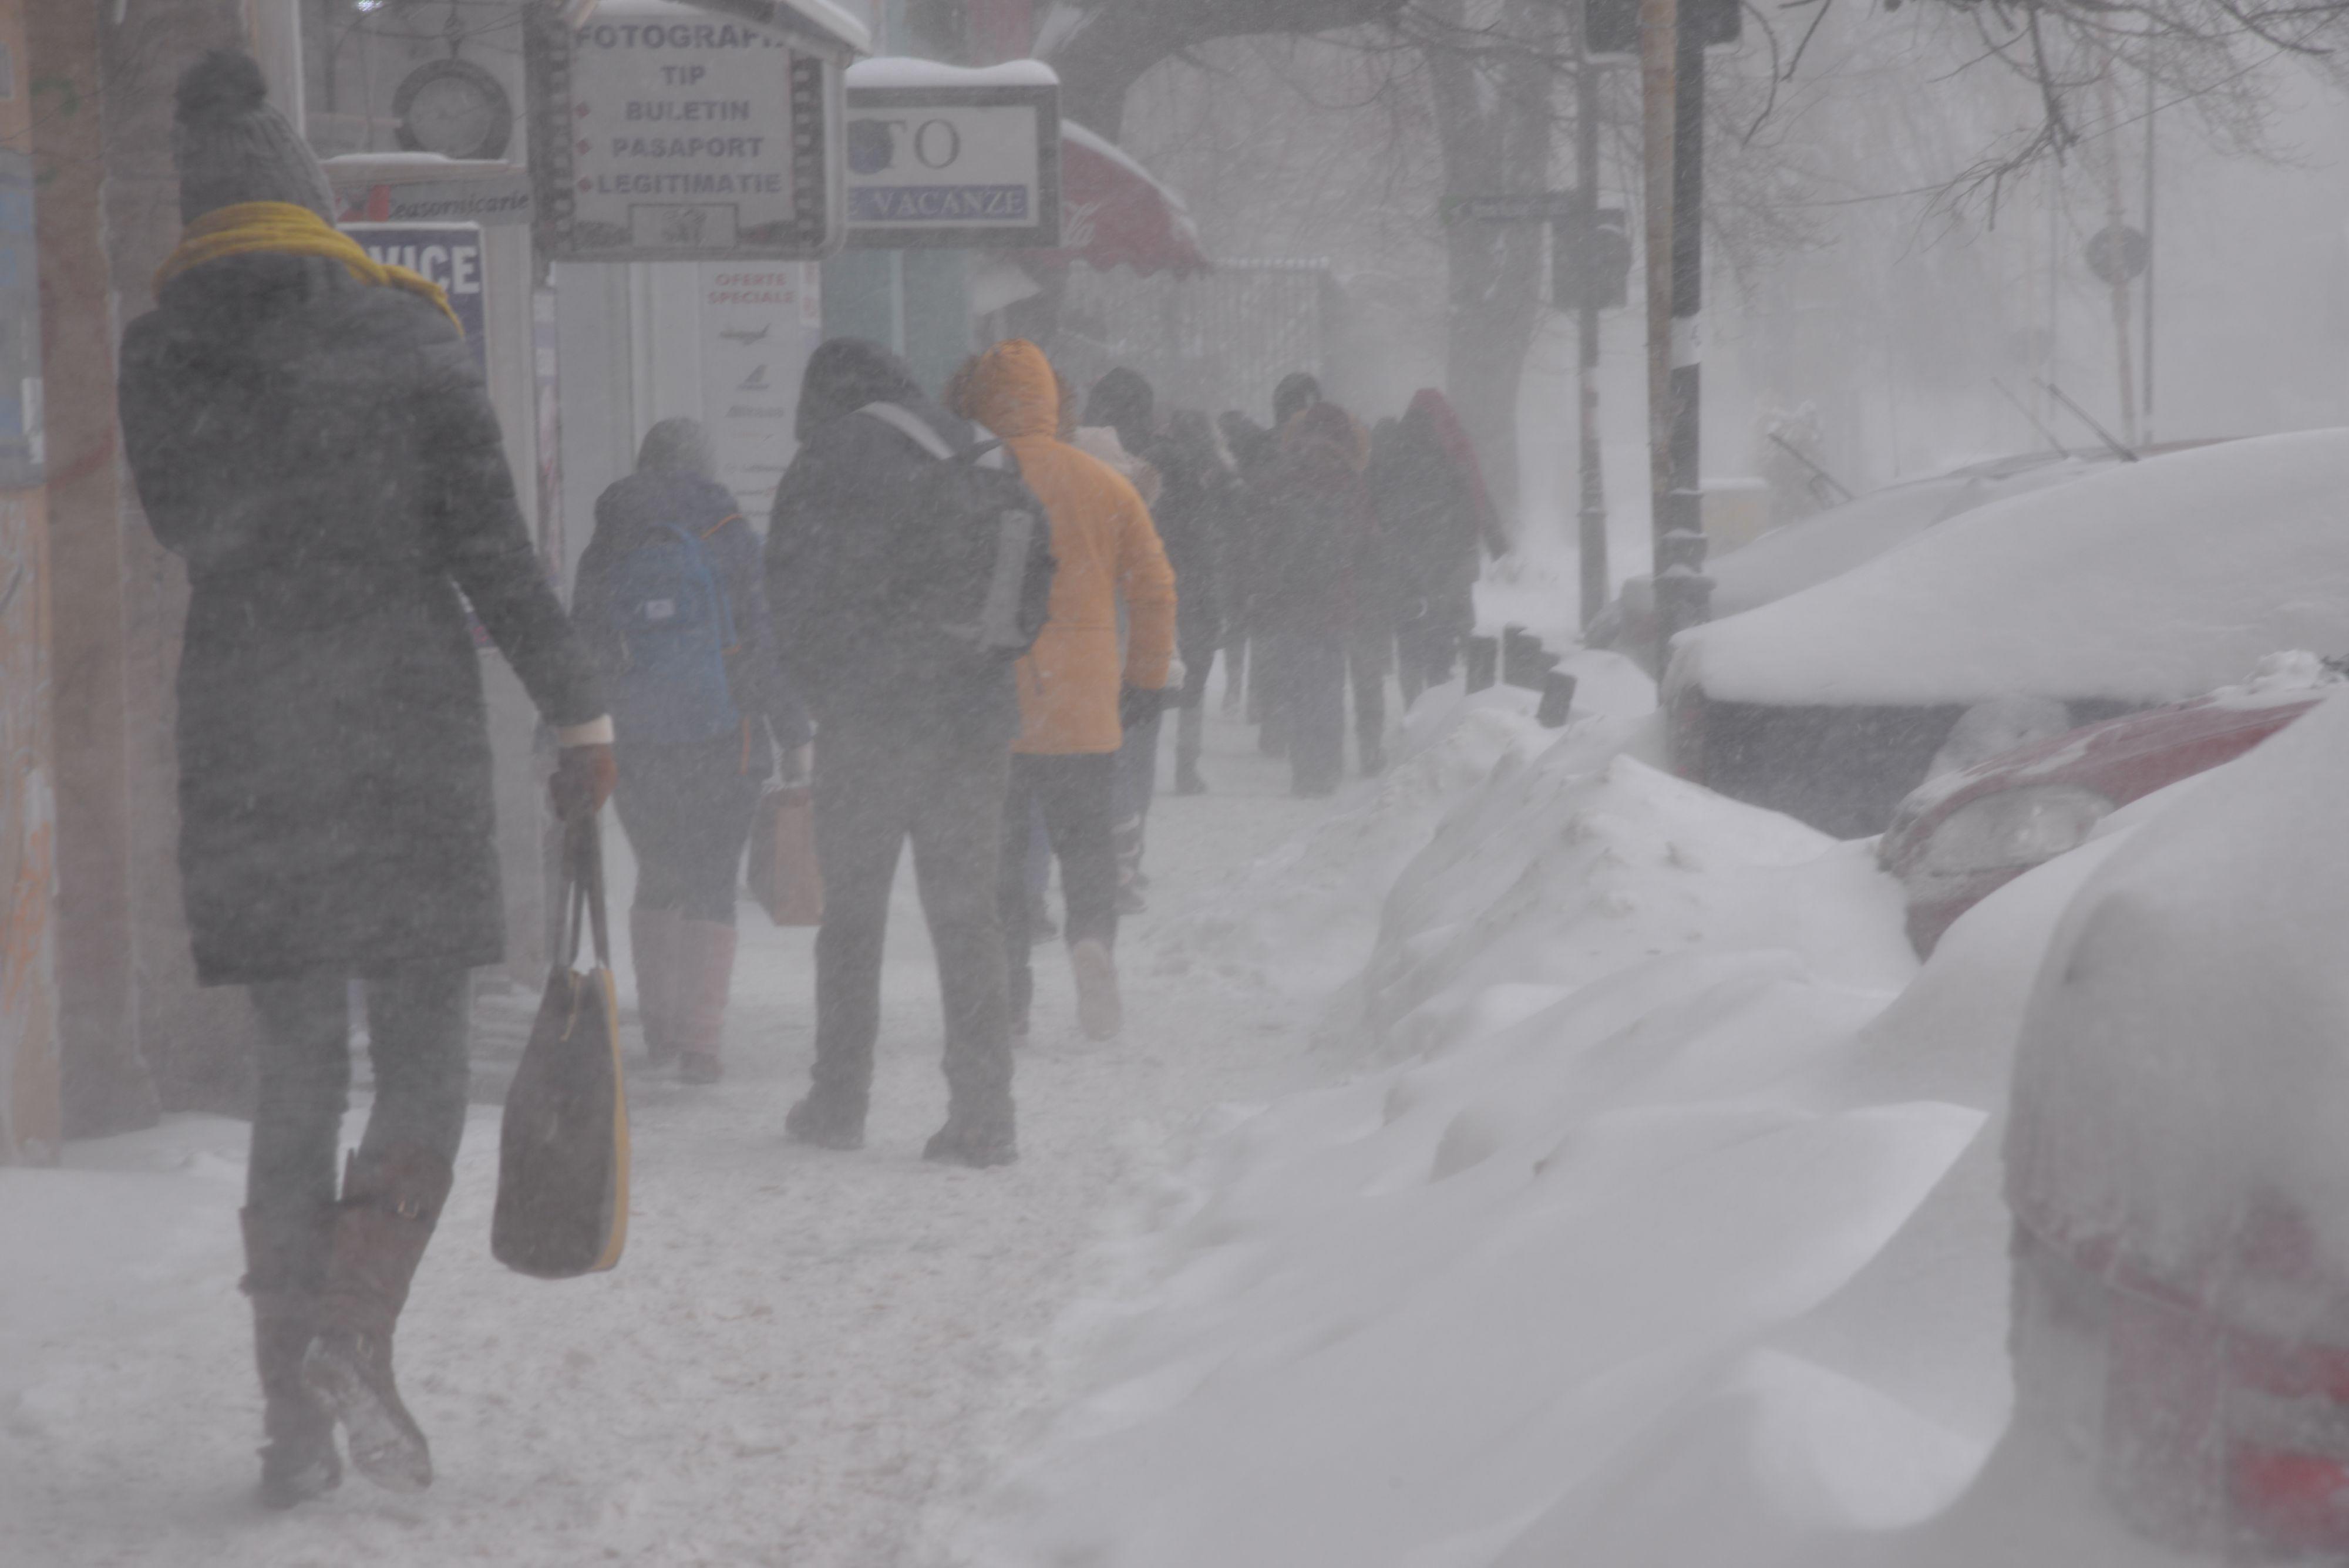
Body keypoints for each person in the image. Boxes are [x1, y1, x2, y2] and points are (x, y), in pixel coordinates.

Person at [116, 51, 613, 1507]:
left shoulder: (160, 351)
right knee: (419, 1061)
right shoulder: (408, 338)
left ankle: (288, 1417)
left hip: (252, 742)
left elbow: (184, 522)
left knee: (293, 1069)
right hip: (401, 737)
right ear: (309, 194)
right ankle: (353, 1327)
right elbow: (493, 553)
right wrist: (577, 709)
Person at [766, 338, 1051, 1167]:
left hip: (873, 720)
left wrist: (832, 691)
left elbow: (788, 590)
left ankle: (839, 1099)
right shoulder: (976, 445)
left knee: (853, 917)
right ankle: (984, 1112)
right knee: (970, 917)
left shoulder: (832, 456)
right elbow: (1037, 580)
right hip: (974, 718)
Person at [949, 340, 1177, 1043]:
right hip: (1084, 706)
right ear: (1054, 401)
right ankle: (1091, 942)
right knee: (1086, 848)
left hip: (993, 707)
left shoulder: (966, 483)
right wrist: (1142, 678)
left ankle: (1010, 996)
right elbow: (1156, 589)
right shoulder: (1105, 485)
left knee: (1001, 861)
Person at [572, 418, 809, 1084]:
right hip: (722, 735)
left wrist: (559, 733)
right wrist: (793, 730)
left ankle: (661, 1030)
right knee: (711, 879)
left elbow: (582, 642)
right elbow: (762, 643)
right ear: (704, 467)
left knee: (657, 872)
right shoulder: (729, 535)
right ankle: (702, 1041)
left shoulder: (610, 539)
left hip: (640, 736)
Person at [1256, 402, 1377, 795]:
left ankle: (1304, 769)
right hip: (1334, 601)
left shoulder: (1284, 476)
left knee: (1297, 687)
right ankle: (1327, 766)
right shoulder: (1351, 481)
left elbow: (1265, 539)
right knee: (1328, 685)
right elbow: (1363, 543)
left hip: (1290, 600)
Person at [1375, 389, 1507, 703]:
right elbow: (1474, 493)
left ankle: (1413, 707)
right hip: (1449, 559)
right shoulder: (1451, 446)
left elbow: (1380, 501)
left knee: (1409, 635)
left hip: (1405, 560)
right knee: (1447, 631)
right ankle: (1447, 701)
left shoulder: (1394, 449)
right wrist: (1493, 538)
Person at [1153, 410, 1238, 793]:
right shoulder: (1213, 480)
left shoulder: (1153, 468)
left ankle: (1137, 762)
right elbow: (1216, 541)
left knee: (1148, 676)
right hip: (1197, 589)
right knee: (1193, 681)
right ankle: (1186, 767)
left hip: (1156, 584)